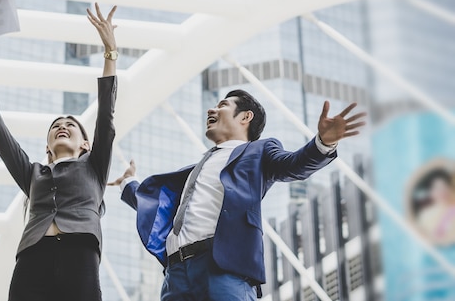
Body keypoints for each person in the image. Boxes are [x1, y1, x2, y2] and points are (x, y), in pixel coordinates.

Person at [110, 90, 366, 301]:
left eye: (221, 105)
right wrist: (128, 184)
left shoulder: (259, 152)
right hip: (175, 276)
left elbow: (294, 165)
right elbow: (157, 206)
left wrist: (323, 143)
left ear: (245, 117)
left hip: (223, 270)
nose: (211, 110)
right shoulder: (195, 173)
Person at [0, 3, 118, 301]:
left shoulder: (94, 167)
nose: (63, 126)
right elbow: (0, 135)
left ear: (85, 144)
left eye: (71, 125)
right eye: (56, 125)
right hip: (33, 256)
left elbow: (106, 117)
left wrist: (110, 52)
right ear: (47, 146)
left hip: (79, 251)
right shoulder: (33, 173)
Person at [416, 168, 455, 246]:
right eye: (438, 188)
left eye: (444, 187)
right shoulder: (425, 216)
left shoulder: (452, 210)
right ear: (431, 192)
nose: (442, 191)